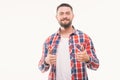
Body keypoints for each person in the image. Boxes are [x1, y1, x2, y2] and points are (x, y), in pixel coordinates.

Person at [38, 3, 99, 80]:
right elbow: (41, 68)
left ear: (72, 16)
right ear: (57, 17)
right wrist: (46, 61)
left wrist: (87, 59)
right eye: (61, 13)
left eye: (67, 13)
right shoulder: (49, 40)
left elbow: (96, 66)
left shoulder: (84, 38)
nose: (64, 16)